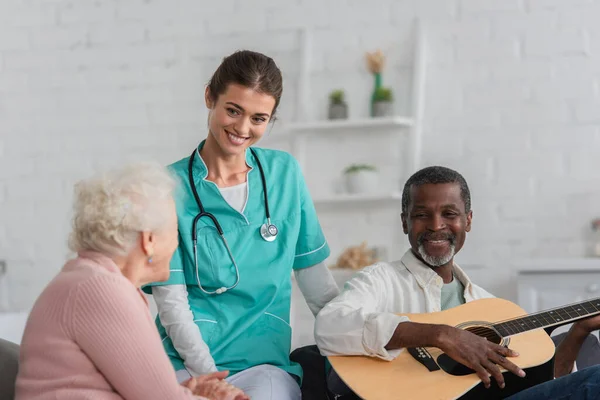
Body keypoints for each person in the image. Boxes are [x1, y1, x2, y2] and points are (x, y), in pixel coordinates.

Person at [143, 50, 340, 400]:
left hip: (263, 364)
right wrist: (210, 379)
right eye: (233, 110)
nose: (243, 128)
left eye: (259, 118)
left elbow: (317, 286)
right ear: (210, 97)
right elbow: (171, 303)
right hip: (186, 363)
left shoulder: (285, 174)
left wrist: (353, 338)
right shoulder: (167, 187)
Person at [314, 165, 600, 399]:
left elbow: (547, 387)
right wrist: (440, 335)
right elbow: (330, 325)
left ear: (468, 221)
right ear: (404, 223)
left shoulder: (490, 306)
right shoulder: (381, 280)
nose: (436, 225)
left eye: (449, 214)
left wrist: (578, 331)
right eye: (421, 215)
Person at [15, 163, 248, 400]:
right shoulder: (102, 290)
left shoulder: (90, 280)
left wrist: (189, 392)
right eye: (174, 231)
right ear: (148, 240)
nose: (177, 244)